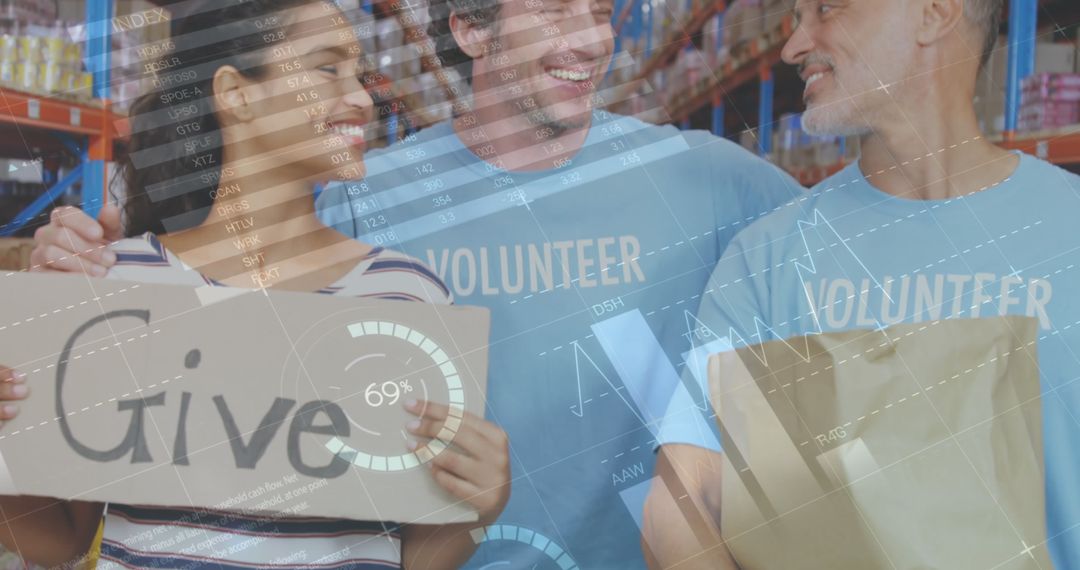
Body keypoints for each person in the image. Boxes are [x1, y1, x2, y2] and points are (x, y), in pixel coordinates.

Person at [28, 0, 806, 566]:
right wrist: (76, 283)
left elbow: (857, 243)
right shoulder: (370, 198)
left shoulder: (706, 180)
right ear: (470, 30)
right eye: (558, 10)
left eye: (601, 12)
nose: (593, 39)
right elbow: (233, 286)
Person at [0, 1, 510, 568]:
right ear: (236, 93)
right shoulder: (118, 284)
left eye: (358, 74)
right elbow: (56, 541)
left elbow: (415, 556)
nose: (363, 98)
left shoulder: (409, 297)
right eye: (326, 68)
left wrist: (475, 509)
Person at [647, 0, 1080, 567]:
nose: (794, 47)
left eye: (827, 9)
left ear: (935, 12)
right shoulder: (770, 259)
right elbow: (683, 500)